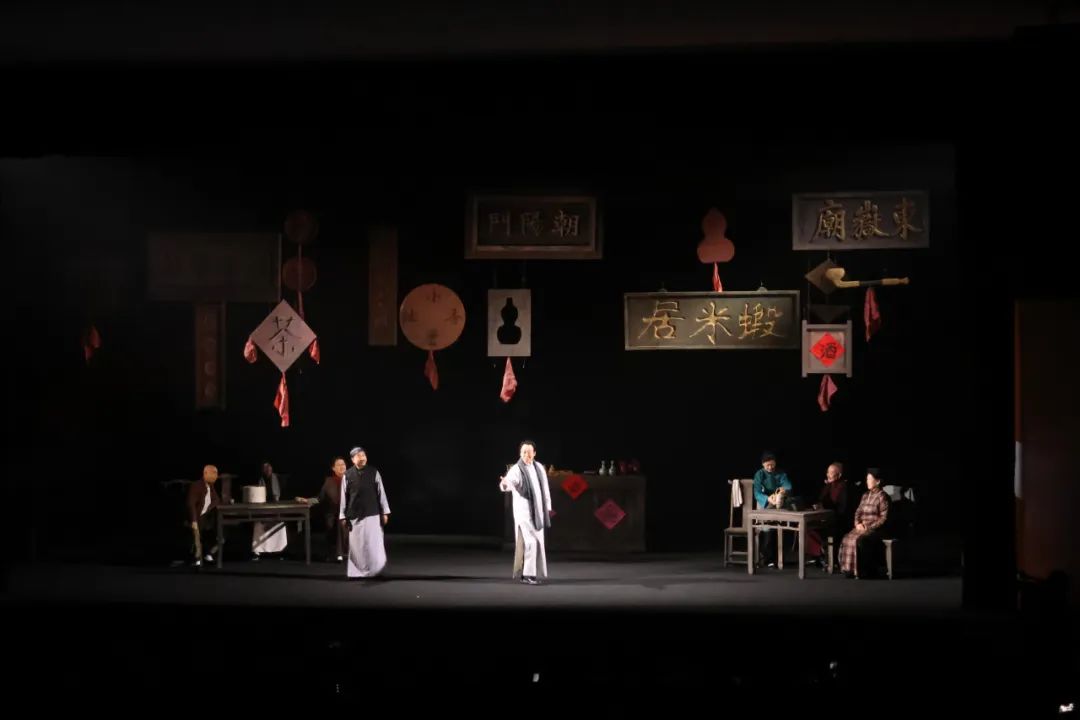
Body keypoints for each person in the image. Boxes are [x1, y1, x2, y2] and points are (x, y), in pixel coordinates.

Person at [498, 440, 553, 585]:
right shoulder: (516, 469)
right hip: (523, 513)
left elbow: (545, 489)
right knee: (530, 542)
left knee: (537, 542)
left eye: (529, 452)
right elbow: (509, 483)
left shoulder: (539, 467)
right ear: (520, 453)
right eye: (523, 452)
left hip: (538, 513)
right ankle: (528, 575)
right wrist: (505, 484)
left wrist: (547, 508)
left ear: (534, 453)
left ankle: (527, 574)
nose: (526, 455)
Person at [339, 446, 390, 578]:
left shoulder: (374, 472)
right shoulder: (347, 475)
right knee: (357, 546)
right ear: (352, 459)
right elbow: (344, 497)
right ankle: (357, 572)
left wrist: (385, 512)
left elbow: (381, 493)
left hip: (372, 513)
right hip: (354, 515)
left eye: (364, 455)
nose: (362, 458)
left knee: (373, 543)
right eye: (359, 456)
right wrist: (342, 516)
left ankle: (375, 571)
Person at [839, 468, 891, 578]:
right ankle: (850, 570)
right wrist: (857, 524)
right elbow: (858, 512)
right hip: (862, 527)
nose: (867, 481)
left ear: (877, 481)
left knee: (861, 540)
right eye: (867, 479)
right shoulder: (865, 495)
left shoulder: (883, 496)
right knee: (847, 537)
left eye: (869, 479)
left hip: (876, 529)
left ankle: (864, 571)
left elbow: (884, 518)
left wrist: (869, 527)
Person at [297, 457, 348, 562]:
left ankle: (340, 553)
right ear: (333, 468)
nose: (342, 467)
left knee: (342, 520)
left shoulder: (351, 480)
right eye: (338, 465)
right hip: (332, 514)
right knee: (338, 521)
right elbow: (320, 498)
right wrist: (307, 500)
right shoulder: (329, 481)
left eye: (343, 464)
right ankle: (340, 553)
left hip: (348, 513)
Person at [752, 451, 793, 567]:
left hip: (778, 504)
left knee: (781, 528)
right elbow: (757, 492)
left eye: (772, 465)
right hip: (764, 503)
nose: (770, 467)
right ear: (763, 464)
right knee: (767, 529)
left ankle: (778, 558)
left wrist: (783, 491)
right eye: (767, 465)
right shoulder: (759, 474)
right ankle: (765, 557)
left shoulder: (780, 473)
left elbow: (788, 485)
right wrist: (768, 499)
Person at [806, 462, 850, 568]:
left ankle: (828, 558)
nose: (828, 475)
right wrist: (818, 506)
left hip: (839, 520)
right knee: (807, 526)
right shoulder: (828, 485)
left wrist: (828, 512)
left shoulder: (844, 487)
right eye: (827, 472)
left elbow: (843, 508)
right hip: (826, 517)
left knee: (826, 529)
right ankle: (817, 556)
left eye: (831, 473)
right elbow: (821, 500)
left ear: (839, 475)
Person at [186, 464, 224, 567]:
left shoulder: (210, 485)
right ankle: (198, 559)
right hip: (197, 517)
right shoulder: (196, 485)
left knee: (221, 535)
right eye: (213, 473)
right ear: (205, 473)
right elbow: (190, 504)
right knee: (198, 535)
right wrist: (194, 520)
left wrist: (209, 507)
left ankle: (209, 554)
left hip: (207, 517)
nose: (215, 476)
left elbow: (216, 499)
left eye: (216, 474)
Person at [251, 462, 287, 561]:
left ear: (272, 468)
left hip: (276, 508)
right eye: (265, 467)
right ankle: (257, 552)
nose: (267, 469)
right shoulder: (260, 480)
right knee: (258, 525)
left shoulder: (278, 478)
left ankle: (279, 551)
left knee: (280, 525)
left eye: (268, 467)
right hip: (263, 509)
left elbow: (280, 495)